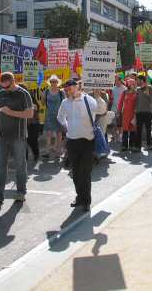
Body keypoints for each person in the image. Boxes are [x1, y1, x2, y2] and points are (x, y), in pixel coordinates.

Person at [0, 72, 34, 205]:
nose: (5, 89)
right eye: (3, 86)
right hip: (1, 135)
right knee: (0, 165)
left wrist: (11, 112)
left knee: (20, 165)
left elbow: (30, 113)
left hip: (18, 135)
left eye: (7, 87)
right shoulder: (1, 93)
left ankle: (20, 192)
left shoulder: (23, 94)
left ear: (13, 82)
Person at [57, 80, 98, 212]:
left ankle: (86, 201)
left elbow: (100, 110)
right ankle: (80, 197)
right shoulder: (65, 102)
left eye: (69, 88)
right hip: (72, 141)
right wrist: (67, 127)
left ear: (77, 87)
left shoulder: (88, 100)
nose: (67, 91)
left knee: (85, 173)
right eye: (66, 89)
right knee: (75, 172)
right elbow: (60, 117)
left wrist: (98, 95)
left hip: (87, 140)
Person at [42, 75, 65, 160]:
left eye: (55, 81)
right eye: (51, 81)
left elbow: (64, 104)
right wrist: (43, 97)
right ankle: (47, 151)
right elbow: (43, 103)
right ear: (50, 82)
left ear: (57, 82)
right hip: (49, 114)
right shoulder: (46, 91)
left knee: (59, 133)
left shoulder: (61, 92)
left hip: (59, 115)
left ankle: (58, 151)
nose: (53, 83)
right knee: (48, 133)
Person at [135, 74, 152, 151]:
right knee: (138, 130)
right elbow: (136, 101)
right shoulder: (137, 89)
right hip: (139, 112)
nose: (137, 81)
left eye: (137, 80)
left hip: (147, 112)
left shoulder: (150, 88)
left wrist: (148, 95)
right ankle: (137, 146)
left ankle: (149, 144)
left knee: (148, 129)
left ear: (142, 80)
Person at [117, 79, 138, 152]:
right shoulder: (124, 92)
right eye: (132, 84)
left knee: (132, 130)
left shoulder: (136, 93)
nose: (134, 85)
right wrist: (119, 111)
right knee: (125, 130)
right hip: (125, 114)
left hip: (133, 114)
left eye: (134, 84)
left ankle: (132, 145)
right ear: (129, 85)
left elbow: (138, 103)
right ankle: (124, 145)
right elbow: (120, 103)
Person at [109, 75, 126, 142]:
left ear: (120, 80)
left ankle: (120, 136)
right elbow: (111, 99)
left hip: (121, 109)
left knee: (120, 124)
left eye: (116, 80)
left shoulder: (124, 89)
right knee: (113, 124)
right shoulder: (113, 88)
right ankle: (114, 136)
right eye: (114, 80)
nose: (115, 82)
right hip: (113, 109)